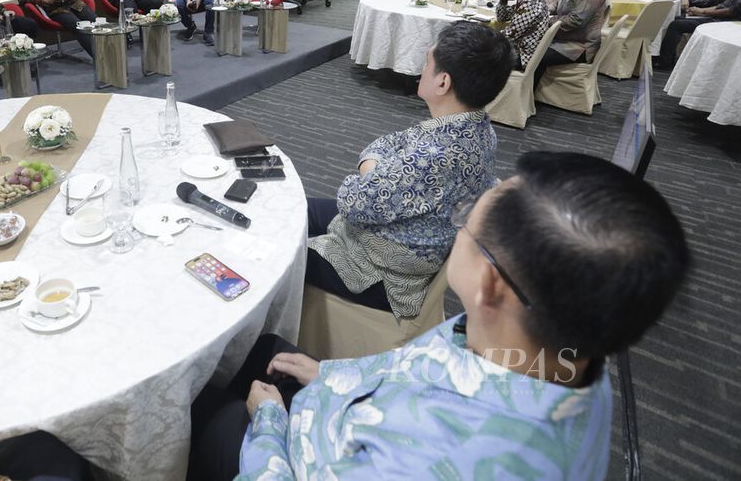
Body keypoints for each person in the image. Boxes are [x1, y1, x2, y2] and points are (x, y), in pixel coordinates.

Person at [188, 151, 690, 481]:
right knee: (260, 350)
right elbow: (415, 367)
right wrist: (331, 372)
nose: (457, 233)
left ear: (490, 281)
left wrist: (269, 422)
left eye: (464, 226)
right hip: (347, 403)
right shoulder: (561, 351)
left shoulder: (448, 458)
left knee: (199, 407)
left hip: (295, 456)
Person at [304, 22, 514, 319]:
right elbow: (395, 140)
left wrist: (372, 169)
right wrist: (379, 171)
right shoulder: (477, 128)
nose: (420, 67)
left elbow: (351, 200)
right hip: (404, 237)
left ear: (443, 82)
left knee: (282, 252)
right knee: (300, 209)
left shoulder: (432, 156)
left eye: (427, 62)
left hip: (383, 273)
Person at [536, 0, 608, 86]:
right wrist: (538, 11)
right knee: (526, 46)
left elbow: (576, 21)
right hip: (563, 39)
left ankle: (527, 96)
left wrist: (545, 22)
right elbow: (556, 6)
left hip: (579, 46)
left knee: (535, 55)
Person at [496, 0, 551, 69]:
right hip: (521, 51)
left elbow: (509, 35)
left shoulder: (531, 2)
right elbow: (502, 18)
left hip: (522, 56)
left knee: (476, 53)